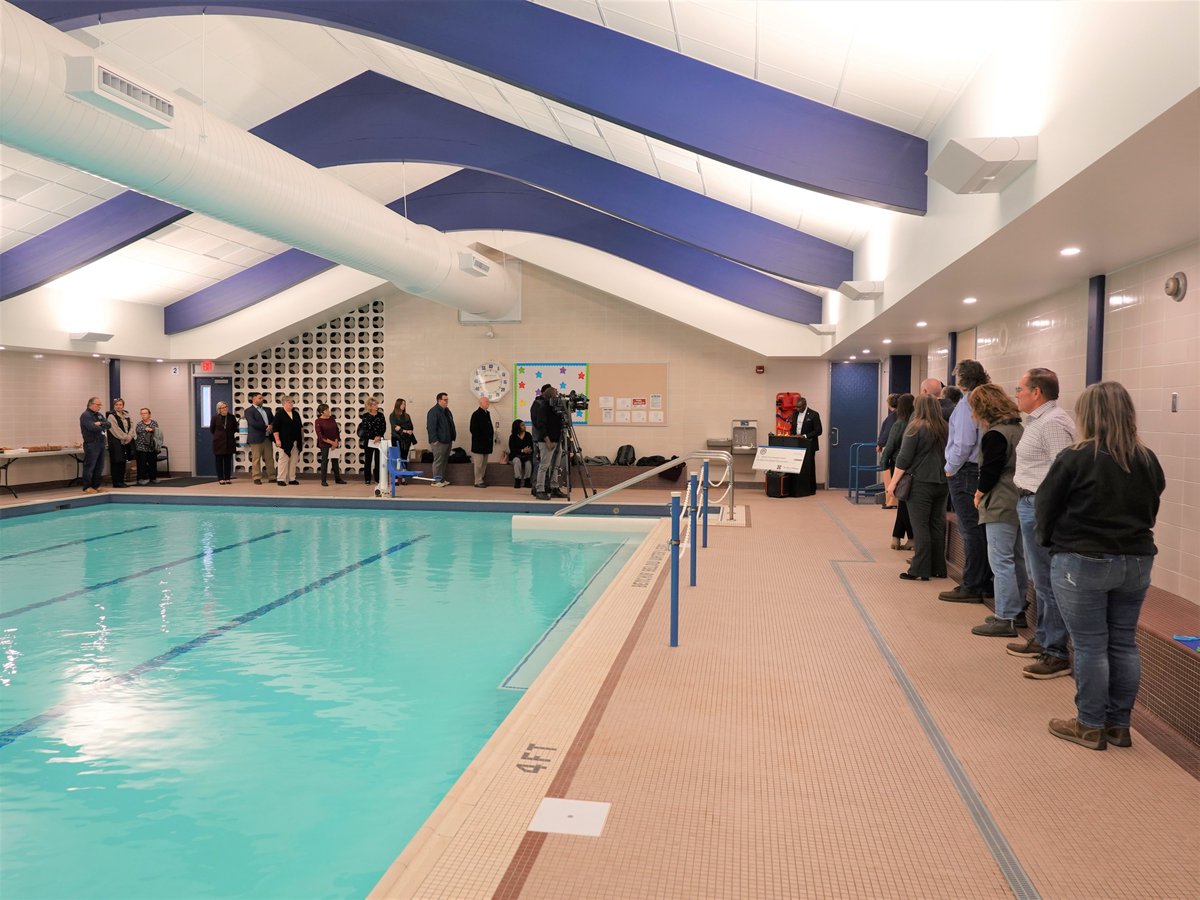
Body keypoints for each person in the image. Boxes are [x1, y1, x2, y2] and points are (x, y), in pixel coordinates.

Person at [1036, 382, 1165, 751]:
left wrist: (1051, 544)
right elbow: (1151, 507)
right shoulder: (1146, 458)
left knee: (1091, 645)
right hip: (1137, 561)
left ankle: (1089, 724)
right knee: (1124, 643)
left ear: (1087, 415)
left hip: (1083, 561)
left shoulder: (1075, 458)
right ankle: (1119, 726)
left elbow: (1045, 508)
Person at [1009, 367, 1077, 679]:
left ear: (1037, 392)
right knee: (1041, 579)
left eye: (1020, 389)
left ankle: (1056, 651)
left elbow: (1063, 473)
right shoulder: (1039, 421)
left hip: (1040, 506)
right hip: (1030, 503)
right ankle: (1046, 638)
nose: (1017, 394)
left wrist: (1047, 510)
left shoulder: (1053, 423)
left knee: (1048, 582)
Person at [966, 384, 1027, 638]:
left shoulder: (995, 435)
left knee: (1000, 560)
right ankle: (1018, 610)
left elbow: (990, 470)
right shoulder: (1019, 430)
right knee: (1018, 559)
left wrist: (979, 493)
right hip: (1020, 499)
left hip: (1000, 500)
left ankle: (1005, 617)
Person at [939, 359, 994, 604]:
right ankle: (984, 581)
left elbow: (962, 443)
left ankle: (972, 584)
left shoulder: (966, 404)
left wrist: (950, 468)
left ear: (962, 379)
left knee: (970, 529)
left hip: (965, 471)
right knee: (980, 529)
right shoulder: (989, 398)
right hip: (981, 469)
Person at [888, 394, 948, 581]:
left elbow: (904, 459)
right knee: (937, 524)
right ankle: (938, 568)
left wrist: (893, 483)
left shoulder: (915, 428)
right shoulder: (945, 427)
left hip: (920, 483)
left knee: (920, 525)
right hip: (942, 482)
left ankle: (919, 569)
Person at [881, 393, 914, 550]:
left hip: (899, 465)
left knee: (904, 503)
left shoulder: (899, 424)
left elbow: (890, 445)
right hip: (913, 467)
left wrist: (883, 463)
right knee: (904, 502)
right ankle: (897, 536)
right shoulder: (915, 423)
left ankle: (907, 537)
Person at [535, 386, 565, 500]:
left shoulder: (557, 409)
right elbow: (541, 425)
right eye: (555, 394)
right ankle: (540, 489)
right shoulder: (543, 407)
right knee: (544, 466)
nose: (557, 395)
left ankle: (554, 487)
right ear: (551, 395)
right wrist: (547, 441)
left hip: (557, 440)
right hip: (546, 441)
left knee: (556, 466)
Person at [788, 395, 823, 495]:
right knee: (796, 466)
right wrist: (792, 434)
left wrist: (805, 436)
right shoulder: (795, 414)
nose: (797, 409)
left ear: (805, 405)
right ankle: (796, 488)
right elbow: (793, 427)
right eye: (796, 407)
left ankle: (811, 489)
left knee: (809, 467)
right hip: (796, 444)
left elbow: (819, 431)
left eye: (799, 407)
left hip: (809, 445)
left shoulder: (813, 414)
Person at [245, 392, 276, 485]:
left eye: (262, 398)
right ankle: (257, 477)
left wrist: (271, 426)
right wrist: (265, 427)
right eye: (260, 398)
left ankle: (272, 477)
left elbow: (273, 420)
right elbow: (252, 423)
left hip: (267, 438)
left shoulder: (267, 409)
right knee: (256, 459)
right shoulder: (249, 411)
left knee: (269, 458)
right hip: (256, 438)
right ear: (254, 399)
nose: (262, 400)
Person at [79, 396, 109, 493]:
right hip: (91, 444)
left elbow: (108, 425)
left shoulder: (99, 415)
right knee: (90, 466)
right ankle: (87, 487)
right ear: (91, 404)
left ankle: (96, 486)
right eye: (98, 404)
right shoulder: (85, 415)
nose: (100, 406)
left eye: (100, 405)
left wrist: (99, 423)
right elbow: (92, 428)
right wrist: (101, 426)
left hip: (101, 442)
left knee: (100, 466)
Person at [271, 396, 303, 486]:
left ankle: (292, 478)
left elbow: (301, 428)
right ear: (284, 403)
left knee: (294, 460)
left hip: (296, 440)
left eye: (292, 402)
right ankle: (281, 479)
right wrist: (277, 440)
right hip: (284, 441)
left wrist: (302, 439)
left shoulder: (295, 414)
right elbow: (275, 428)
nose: (291, 403)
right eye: (289, 402)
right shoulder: (279, 414)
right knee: (283, 460)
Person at [426, 392, 456, 487]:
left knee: (444, 461)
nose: (447, 401)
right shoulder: (433, 411)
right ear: (439, 400)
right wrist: (434, 440)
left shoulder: (447, 411)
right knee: (438, 461)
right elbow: (431, 427)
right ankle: (436, 480)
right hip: (438, 441)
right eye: (445, 400)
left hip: (447, 440)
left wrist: (452, 436)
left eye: (447, 399)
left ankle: (442, 479)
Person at [314, 403, 348, 487]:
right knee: (324, 461)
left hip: (334, 443)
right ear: (322, 412)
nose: (328, 411)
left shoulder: (332, 419)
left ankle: (338, 479)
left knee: (335, 461)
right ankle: (323, 480)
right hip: (324, 444)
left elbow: (336, 430)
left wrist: (336, 442)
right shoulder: (318, 421)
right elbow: (320, 436)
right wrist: (331, 442)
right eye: (326, 410)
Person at [105, 398, 134, 488]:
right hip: (116, 442)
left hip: (126, 441)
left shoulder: (127, 415)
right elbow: (115, 429)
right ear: (114, 406)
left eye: (120, 404)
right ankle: (116, 482)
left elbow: (131, 427)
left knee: (123, 462)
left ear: (123, 405)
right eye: (117, 404)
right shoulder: (111, 416)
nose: (118, 406)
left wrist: (129, 436)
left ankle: (122, 481)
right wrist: (125, 437)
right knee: (116, 462)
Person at [528, 384, 551, 496]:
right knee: (538, 463)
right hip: (538, 438)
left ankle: (545, 485)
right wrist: (544, 433)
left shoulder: (548, 404)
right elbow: (537, 423)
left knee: (546, 464)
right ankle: (535, 487)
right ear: (543, 392)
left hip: (547, 438)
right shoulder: (536, 404)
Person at [358, 397, 387, 485]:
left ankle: (377, 479)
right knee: (368, 460)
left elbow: (383, 427)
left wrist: (379, 436)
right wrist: (373, 437)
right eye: (374, 404)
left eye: (377, 404)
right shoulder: (365, 416)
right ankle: (367, 479)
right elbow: (364, 429)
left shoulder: (381, 415)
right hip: (369, 441)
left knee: (378, 460)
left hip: (379, 440)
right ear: (370, 406)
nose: (376, 406)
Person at [210, 400, 239, 484]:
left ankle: (227, 478)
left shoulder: (232, 417)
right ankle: (220, 478)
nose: (225, 409)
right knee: (219, 461)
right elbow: (212, 430)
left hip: (229, 441)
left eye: (226, 407)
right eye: (222, 408)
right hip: (218, 442)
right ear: (219, 409)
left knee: (227, 461)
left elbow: (235, 428)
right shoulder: (215, 418)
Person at [469, 396, 495, 488]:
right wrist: (482, 439)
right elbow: (473, 429)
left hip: (486, 444)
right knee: (478, 464)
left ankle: (481, 479)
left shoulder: (487, 413)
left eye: (488, 401)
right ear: (481, 403)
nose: (488, 403)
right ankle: (477, 481)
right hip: (479, 444)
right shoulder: (476, 414)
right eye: (486, 402)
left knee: (484, 464)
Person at [134, 407, 161, 485]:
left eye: (145, 413)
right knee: (141, 464)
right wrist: (146, 429)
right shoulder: (139, 424)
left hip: (151, 447)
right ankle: (140, 479)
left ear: (149, 414)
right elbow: (138, 431)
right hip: (141, 447)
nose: (143, 415)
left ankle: (153, 478)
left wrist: (152, 429)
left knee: (152, 463)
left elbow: (157, 431)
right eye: (142, 414)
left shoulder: (154, 423)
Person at [509, 419, 534, 489]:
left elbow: (532, 446)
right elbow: (512, 449)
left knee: (528, 463)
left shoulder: (528, 435)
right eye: (522, 425)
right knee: (517, 461)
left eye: (524, 425)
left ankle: (527, 480)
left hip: (527, 456)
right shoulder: (512, 437)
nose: (524, 426)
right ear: (518, 427)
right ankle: (518, 480)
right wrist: (522, 450)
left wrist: (530, 450)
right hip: (516, 455)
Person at [876, 393, 898, 459]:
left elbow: (887, 431)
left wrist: (880, 444)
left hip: (894, 451)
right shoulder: (904, 415)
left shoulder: (893, 416)